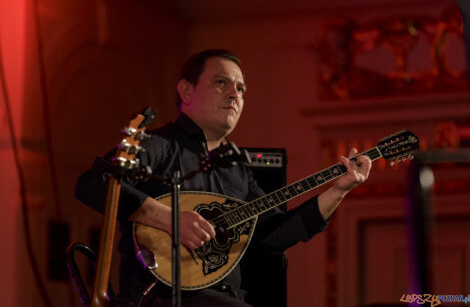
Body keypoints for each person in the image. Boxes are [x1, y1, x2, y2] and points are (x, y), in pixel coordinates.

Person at [75, 49, 372, 307]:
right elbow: (92, 183)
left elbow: (274, 236)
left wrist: (338, 191)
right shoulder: (158, 146)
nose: (235, 94)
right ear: (187, 91)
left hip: (225, 297)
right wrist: (170, 219)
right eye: (222, 82)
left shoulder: (237, 168)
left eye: (241, 89)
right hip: (159, 298)